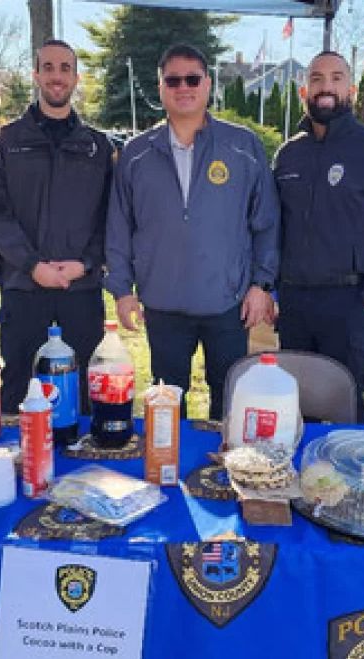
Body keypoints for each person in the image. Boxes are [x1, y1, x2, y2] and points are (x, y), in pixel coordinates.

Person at [105, 43, 279, 421]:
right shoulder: (136, 153)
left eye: (192, 79)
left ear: (208, 83)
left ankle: (226, 471)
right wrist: (121, 290)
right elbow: (119, 226)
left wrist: (261, 285)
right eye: (173, 80)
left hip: (228, 302)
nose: (183, 87)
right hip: (164, 304)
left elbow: (265, 220)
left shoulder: (243, 146)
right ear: (161, 87)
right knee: (167, 402)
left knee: (229, 398)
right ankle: (170, 472)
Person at [273, 51, 364, 424]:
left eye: (336, 78)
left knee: (344, 408)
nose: (326, 87)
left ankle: (348, 483)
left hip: (349, 303)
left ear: (350, 89)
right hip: (294, 305)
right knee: (296, 406)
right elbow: (273, 227)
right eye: (317, 79)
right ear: (305, 89)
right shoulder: (288, 156)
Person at [0, 39, 113, 414]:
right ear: (36, 75)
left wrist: (85, 263)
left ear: (76, 78)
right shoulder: (7, 142)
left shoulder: (97, 147)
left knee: (84, 387)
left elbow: (111, 217)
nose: (57, 76)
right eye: (48, 67)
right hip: (24, 287)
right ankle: (20, 466)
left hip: (80, 289)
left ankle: (82, 465)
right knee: (20, 385)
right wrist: (33, 264)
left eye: (65, 68)